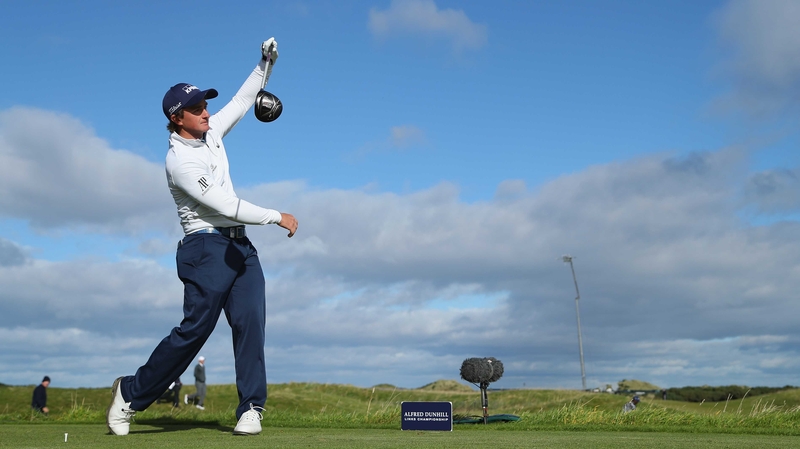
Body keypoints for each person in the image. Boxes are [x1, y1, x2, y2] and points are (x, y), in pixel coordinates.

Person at [106, 37, 298, 437]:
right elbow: (226, 206)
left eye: (205, 104)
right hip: (204, 248)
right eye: (196, 109)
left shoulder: (210, 133)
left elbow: (244, 101)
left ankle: (251, 408)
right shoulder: (179, 162)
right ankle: (130, 393)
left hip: (239, 247)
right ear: (178, 118)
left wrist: (265, 64)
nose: (206, 112)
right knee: (194, 332)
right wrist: (276, 216)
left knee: (250, 324)